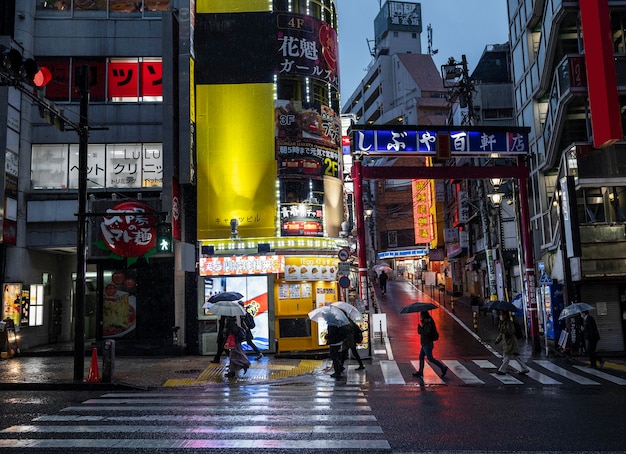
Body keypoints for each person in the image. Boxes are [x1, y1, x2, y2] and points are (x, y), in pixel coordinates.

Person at [413, 311, 447, 378]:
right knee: (421, 357)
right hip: (425, 343)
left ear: (424, 315)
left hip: (427, 344)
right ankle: (420, 372)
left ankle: (443, 368)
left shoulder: (427, 323)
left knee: (430, 358)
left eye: (421, 315)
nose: (420, 316)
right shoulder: (426, 322)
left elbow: (427, 332)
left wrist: (420, 329)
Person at [494, 310, 530, 375]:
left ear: (505, 315)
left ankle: (502, 370)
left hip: (510, 343)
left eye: (501, 314)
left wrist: (502, 330)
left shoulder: (509, 323)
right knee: (515, 356)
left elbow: (510, 331)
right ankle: (525, 368)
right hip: (508, 342)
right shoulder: (503, 322)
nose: (500, 316)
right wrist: (497, 340)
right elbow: (501, 334)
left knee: (507, 356)